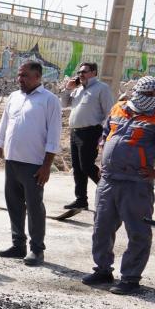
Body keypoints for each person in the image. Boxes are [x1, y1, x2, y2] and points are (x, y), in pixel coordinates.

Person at [82, 76, 155, 295]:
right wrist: (103, 157)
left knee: (138, 232)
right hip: (108, 181)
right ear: (137, 92)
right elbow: (105, 134)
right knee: (102, 228)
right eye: (148, 94)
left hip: (136, 185)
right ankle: (102, 270)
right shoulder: (119, 108)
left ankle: (130, 278)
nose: (152, 98)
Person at [0, 61, 61, 267]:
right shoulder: (14, 97)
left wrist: (47, 166)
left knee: (34, 207)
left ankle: (37, 249)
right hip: (12, 161)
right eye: (19, 75)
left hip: (34, 165)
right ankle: (18, 244)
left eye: (25, 76)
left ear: (38, 77)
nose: (20, 79)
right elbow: (3, 127)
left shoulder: (49, 100)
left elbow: (54, 135)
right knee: (14, 204)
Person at [59, 61, 115, 211]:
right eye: (79, 72)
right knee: (77, 168)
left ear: (94, 73)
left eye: (84, 72)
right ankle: (81, 200)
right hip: (75, 133)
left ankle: (110, 193)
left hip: (91, 132)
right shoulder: (77, 90)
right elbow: (64, 104)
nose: (80, 75)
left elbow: (109, 113)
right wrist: (68, 89)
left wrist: (104, 134)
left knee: (87, 165)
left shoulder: (102, 88)